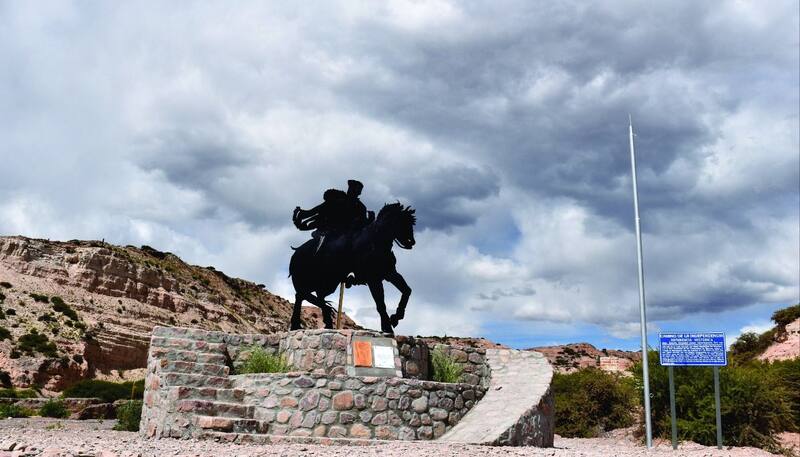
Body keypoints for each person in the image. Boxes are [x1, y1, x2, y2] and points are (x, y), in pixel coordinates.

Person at [293, 180, 374, 252]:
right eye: (355, 189)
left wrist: (370, 220)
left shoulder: (361, 207)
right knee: (324, 244)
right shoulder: (336, 200)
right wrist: (300, 214)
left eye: (359, 190)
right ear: (349, 189)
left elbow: (363, 225)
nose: (357, 191)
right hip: (329, 232)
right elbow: (315, 211)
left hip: (349, 235)